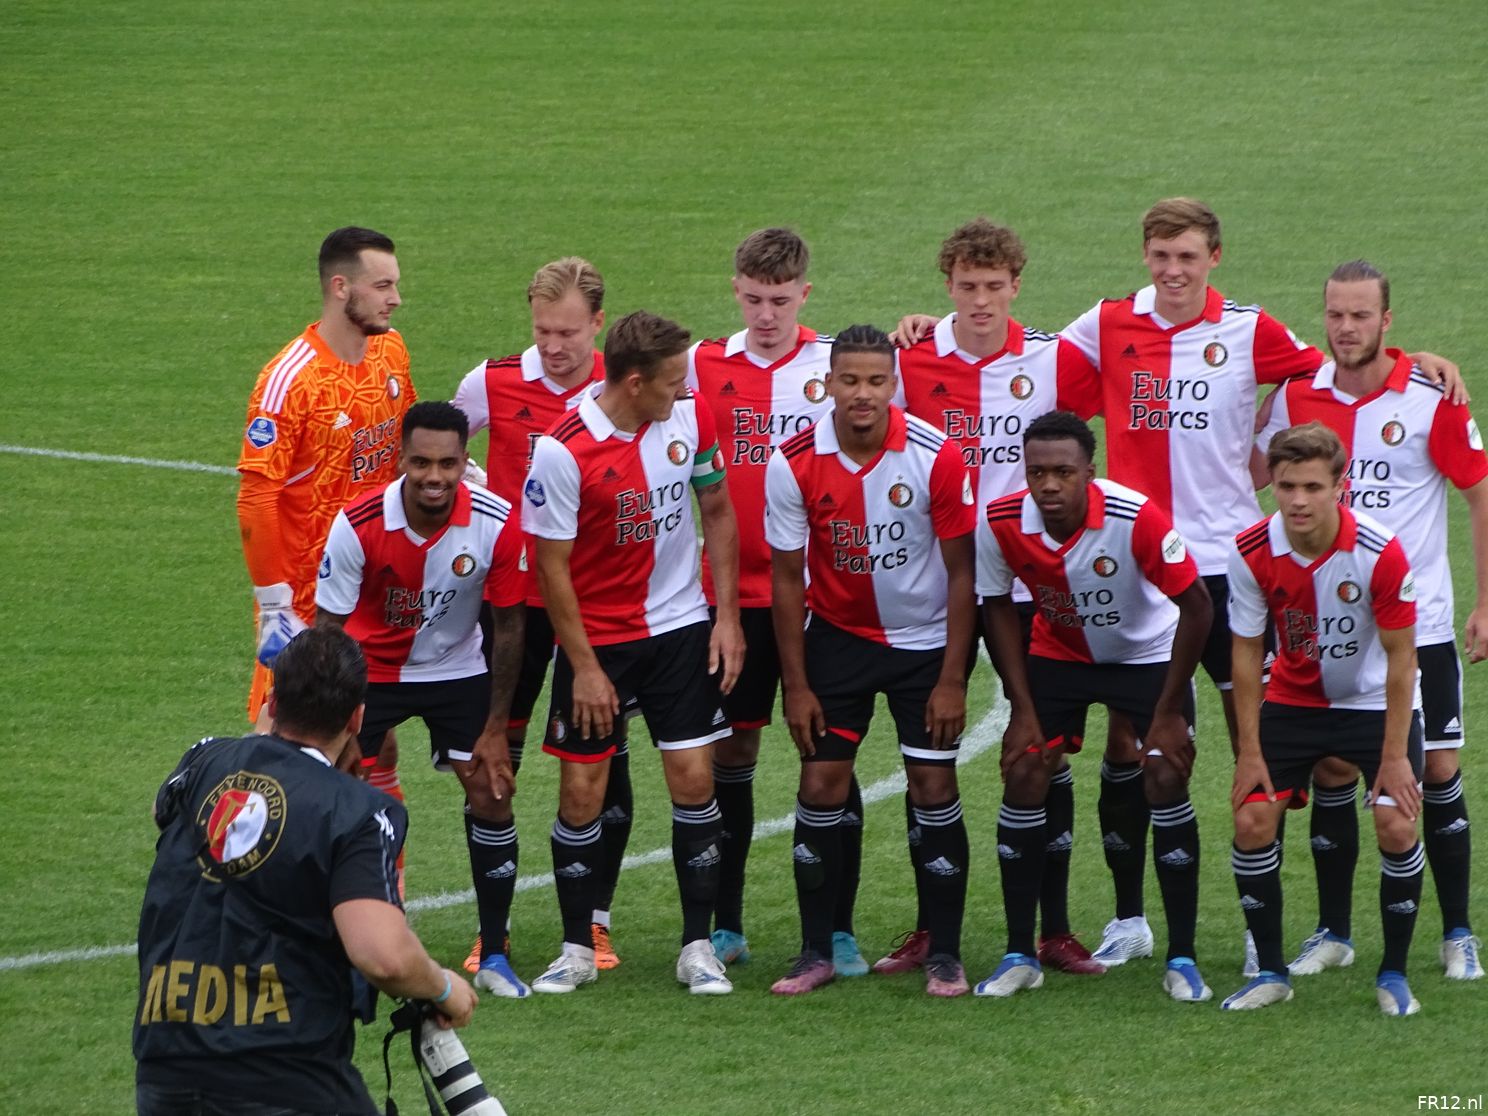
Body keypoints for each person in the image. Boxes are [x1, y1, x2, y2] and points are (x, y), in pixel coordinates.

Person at [895, 198, 1459, 969]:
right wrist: (934, 324)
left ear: (1213, 258)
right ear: (1145, 256)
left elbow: (1337, 367)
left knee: (1260, 749)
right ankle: (1130, 920)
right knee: (1134, 746)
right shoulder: (1106, 322)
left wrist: (1414, 357)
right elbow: (1021, 348)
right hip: (1131, 566)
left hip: (1228, 571)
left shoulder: (1251, 330)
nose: (1173, 271)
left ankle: (1271, 940)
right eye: (1160, 257)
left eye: (1188, 257)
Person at [881, 217, 1104, 978]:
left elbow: (1151, 403)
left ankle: (1056, 929)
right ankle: (926, 926)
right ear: (947, 285)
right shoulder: (910, 359)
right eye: (967, 286)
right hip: (934, 577)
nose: (981, 300)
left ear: (1017, 285)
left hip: (1028, 583)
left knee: (1044, 750)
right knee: (927, 758)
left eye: (994, 286)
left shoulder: (1052, 359)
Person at [1252, 261, 1487, 981]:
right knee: (1329, 767)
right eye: (1335, 315)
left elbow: (1478, 494)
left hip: (1422, 627)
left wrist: (1486, 602)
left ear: (1388, 321)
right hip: (1319, 626)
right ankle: (1332, 932)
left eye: (1360, 316)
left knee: (1435, 771)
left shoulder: (1429, 394)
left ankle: (1457, 932)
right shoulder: (1295, 396)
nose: (1346, 328)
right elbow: (1247, 473)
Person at [134, 625, 477, 1116]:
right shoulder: (356, 811)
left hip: (165, 1066)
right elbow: (383, 956)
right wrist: (445, 987)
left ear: (272, 700)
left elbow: (162, 810)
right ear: (358, 717)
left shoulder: (204, 761)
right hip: (283, 1074)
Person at [522, 309, 745, 995]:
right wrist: (584, 666)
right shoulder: (562, 451)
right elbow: (550, 566)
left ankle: (697, 947)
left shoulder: (690, 417)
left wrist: (726, 617)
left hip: (679, 628)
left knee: (694, 781)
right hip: (601, 643)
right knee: (583, 790)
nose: (686, 390)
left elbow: (717, 511)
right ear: (635, 381)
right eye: (673, 381)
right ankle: (575, 949)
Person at [765, 324, 977, 997]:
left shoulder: (935, 454)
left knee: (934, 788)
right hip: (839, 642)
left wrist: (951, 676)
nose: (862, 394)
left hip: (923, 648)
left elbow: (963, 573)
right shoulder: (793, 459)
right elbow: (786, 579)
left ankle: (944, 952)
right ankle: (814, 950)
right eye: (849, 380)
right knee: (822, 786)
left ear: (894, 385)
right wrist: (795, 685)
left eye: (876, 381)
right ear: (827, 383)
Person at [977, 411, 1213, 1001]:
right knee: (1026, 766)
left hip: (1144, 657)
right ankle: (1017, 952)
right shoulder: (1003, 521)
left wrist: (1166, 711)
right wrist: (1021, 706)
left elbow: (1199, 605)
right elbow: (997, 605)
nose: (1049, 485)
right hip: (1060, 657)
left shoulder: (1135, 518)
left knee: (1161, 772)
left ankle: (1182, 958)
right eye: (1037, 472)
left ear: (1090, 471)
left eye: (1063, 471)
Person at [452, 257, 635, 973]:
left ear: (598, 323)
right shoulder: (490, 382)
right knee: (495, 754)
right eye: (541, 329)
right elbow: (438, 448)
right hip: (511, 609)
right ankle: (491, 933)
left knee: (602, 757)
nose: (553, 345)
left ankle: (594, 922)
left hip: (598, 607)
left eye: (567, 332)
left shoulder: (620, 386)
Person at [316, 401, 529, 998]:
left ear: (466, 461)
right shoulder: (358, 523)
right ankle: (328, 944)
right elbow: (327, 630)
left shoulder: (495, 521)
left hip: (457, 671)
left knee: (491, 791)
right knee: (328, 792)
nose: (434, 476)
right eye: (420, 462)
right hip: (368, 672)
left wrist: (495, 728)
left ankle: (494, 952)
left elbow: (511, 627)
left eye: (447, 463)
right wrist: (343, 722)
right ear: (401, 460)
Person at [684, 227, 850, 971]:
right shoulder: (701, 365)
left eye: (780, 301)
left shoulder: (834, 366)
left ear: (804, 295)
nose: (765, 315)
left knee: (827, 758)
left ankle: (837, 928)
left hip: (823, 599)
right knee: (734, 751)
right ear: (736, 290)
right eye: (753, 299)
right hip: (730, 599)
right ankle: (727, 922)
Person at [1224, 421, 1426, 1015]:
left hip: (1371, 708)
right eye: (1286, 486)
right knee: (1252, 822)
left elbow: (1401, 659)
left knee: (1396, 826)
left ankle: (1393, 974)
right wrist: (1249, 751)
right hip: (1293, 705)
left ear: (1341, 483)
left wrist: (1393, 757)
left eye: (1313, 486)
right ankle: (1270, 971)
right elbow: (1244, 652)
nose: (1299, 500)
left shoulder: (1380, 552)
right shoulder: (1252, 551)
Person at [237, 226, 416, 826]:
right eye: (382, 285)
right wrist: (275, 606)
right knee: (284, 750)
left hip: (374, 592)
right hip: (307, 605)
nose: (395, 298)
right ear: (341, 288)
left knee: (374, 745)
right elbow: (256, 499)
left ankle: (379, 886)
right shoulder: (291, 378)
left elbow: (401, 445)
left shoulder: (391, 353)